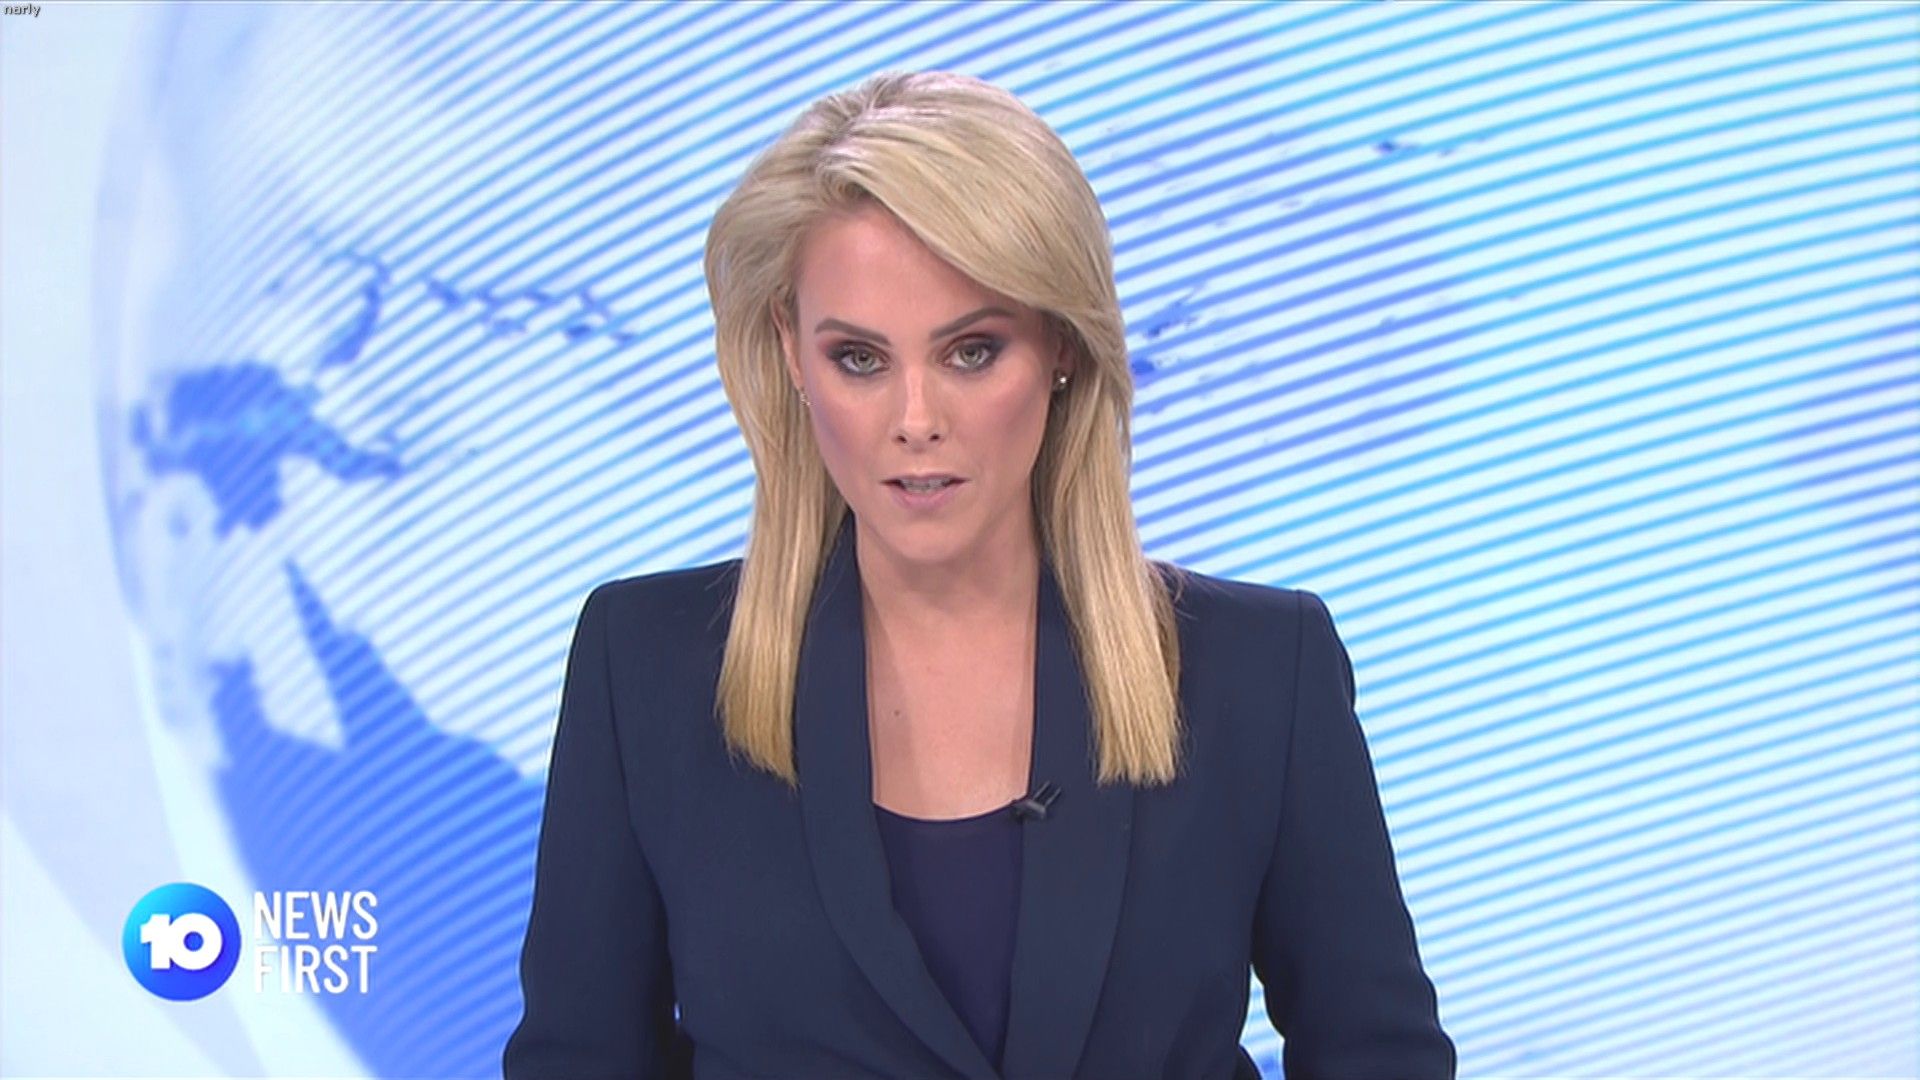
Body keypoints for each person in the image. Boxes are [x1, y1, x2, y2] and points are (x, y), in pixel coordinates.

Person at [502, 69, 1453, 1080]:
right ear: (790, 351)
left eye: (971, 351)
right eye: (859, 359)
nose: (916, 419)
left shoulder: (1261, 672)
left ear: (1061, 347)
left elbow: (1377, 1056)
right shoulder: (644, 668)